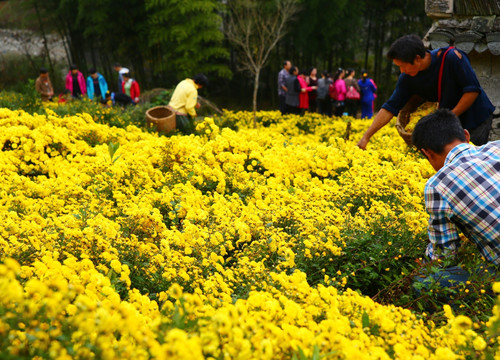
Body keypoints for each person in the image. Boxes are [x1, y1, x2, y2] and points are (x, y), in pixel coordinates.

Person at [412, 109, 499, 290]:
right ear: (466, 135)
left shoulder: (437, 185)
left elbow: (445, 255)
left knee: (424, 281)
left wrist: (425, 261)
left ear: (427, 153)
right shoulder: (496, 147)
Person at [357, 34, 495, 149]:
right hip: (448, 123)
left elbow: (472, 91)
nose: (401, 71)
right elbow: (389, 107)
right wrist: (366, 137)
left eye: (402, 66)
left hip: (475, 118)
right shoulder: (407, 78)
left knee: (473, 162)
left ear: (417, 59)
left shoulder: (451, 58)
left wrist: (448, 116)